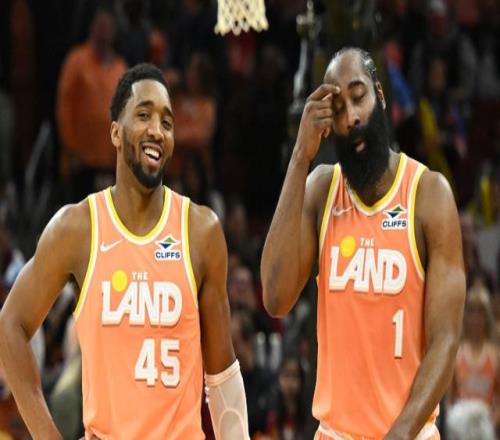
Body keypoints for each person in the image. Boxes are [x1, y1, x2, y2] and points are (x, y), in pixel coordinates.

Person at [0, 63, 249, 439]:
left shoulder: (201, 230)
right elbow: (10, 325)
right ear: (116, 132)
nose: (157, 130)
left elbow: (222, 374)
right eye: (144, 115)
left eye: (167, 122)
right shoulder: (77, 228)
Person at [261, 47, 466, 439]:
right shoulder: (321, 190)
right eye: (338, 109)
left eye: (359, 97)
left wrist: (400, 432)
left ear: (380, 95)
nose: (351, 117)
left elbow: (445, 340)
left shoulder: (429, 195)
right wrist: (300, 157)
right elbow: (275, 297)